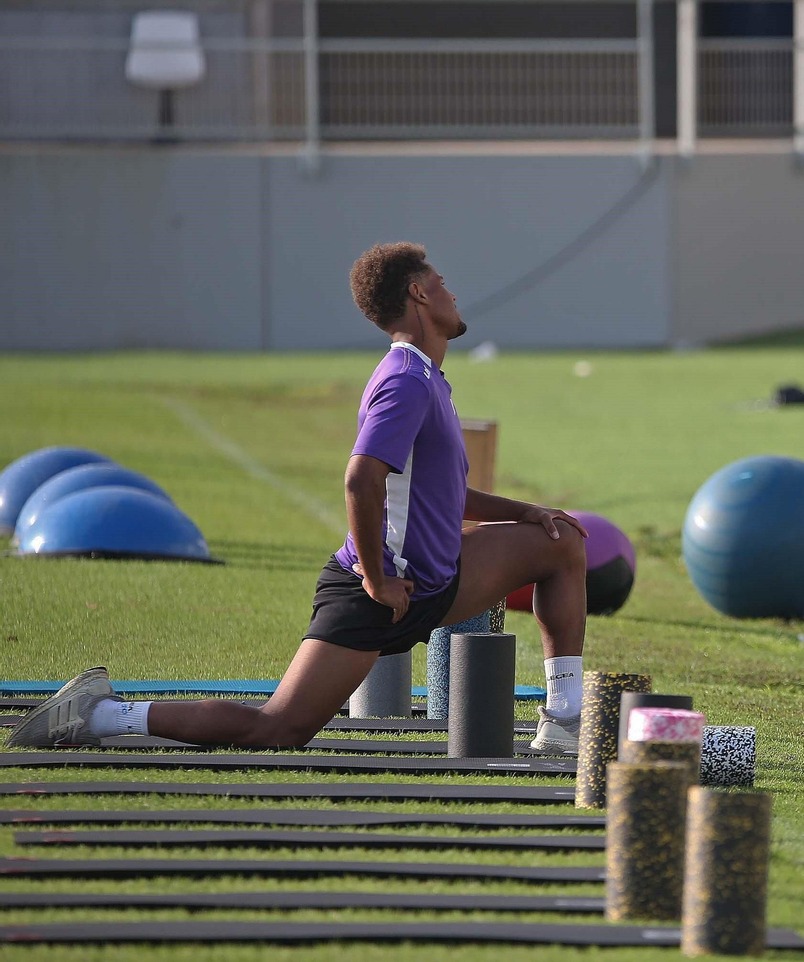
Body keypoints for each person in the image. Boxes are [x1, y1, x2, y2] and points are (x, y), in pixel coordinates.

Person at [8, 242, 590, 756]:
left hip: (437, 584)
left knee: (559, 544)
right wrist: (374, 576)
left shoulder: (430, 378)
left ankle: (564, 720)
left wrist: (526, 512)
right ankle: (96, 715)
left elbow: (437, 494)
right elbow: (360, 479)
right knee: (278, 728)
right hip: (382, 593)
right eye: (443, 284)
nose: (454, 294)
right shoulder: (406, 380)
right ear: (419, 293)